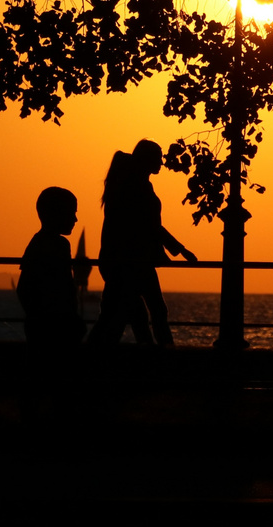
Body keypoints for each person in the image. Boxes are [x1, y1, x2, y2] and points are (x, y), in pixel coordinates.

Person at [87, 140, 196, 346]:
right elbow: (150, 226)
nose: (162, 162)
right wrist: (179, 249)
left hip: (129, 260)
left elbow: (150, 225)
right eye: (158, 157)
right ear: (146, 159)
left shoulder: (133, 184)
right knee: (144, 312)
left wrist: (178, 249)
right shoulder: (135, 187)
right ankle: (164, 355)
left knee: (126, 314)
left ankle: (157, 354)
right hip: (131, 261)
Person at [18, 186, 85, 405]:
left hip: (45, 320)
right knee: (57, 376)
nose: (75, 219)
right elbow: (60, 286)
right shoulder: (55, 245)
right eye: (71, 212)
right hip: (53, 321)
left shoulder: (41, 243)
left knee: (39, 374)